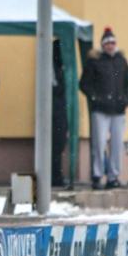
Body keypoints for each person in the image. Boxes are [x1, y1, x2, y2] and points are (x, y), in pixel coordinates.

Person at [79, 27, 128, 190]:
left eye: (112, 43)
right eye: (107, 43)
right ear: (103, 45)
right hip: (100, 110)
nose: (110, 46)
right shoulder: (94, 61)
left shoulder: (121, 61)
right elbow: (84, 84)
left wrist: (125, 99)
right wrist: (95, 97)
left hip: (118, 110)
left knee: (117, 144)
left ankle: (113, 176)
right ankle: (97, 175)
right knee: (99, 143)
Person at [52, 39, 68, 187]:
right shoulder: (56, 68)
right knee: (55, 147)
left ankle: (56, 175)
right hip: (56, 112)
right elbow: (58, 89)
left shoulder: (61, 68)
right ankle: (55, 176)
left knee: (57, 146)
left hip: (59, 111)